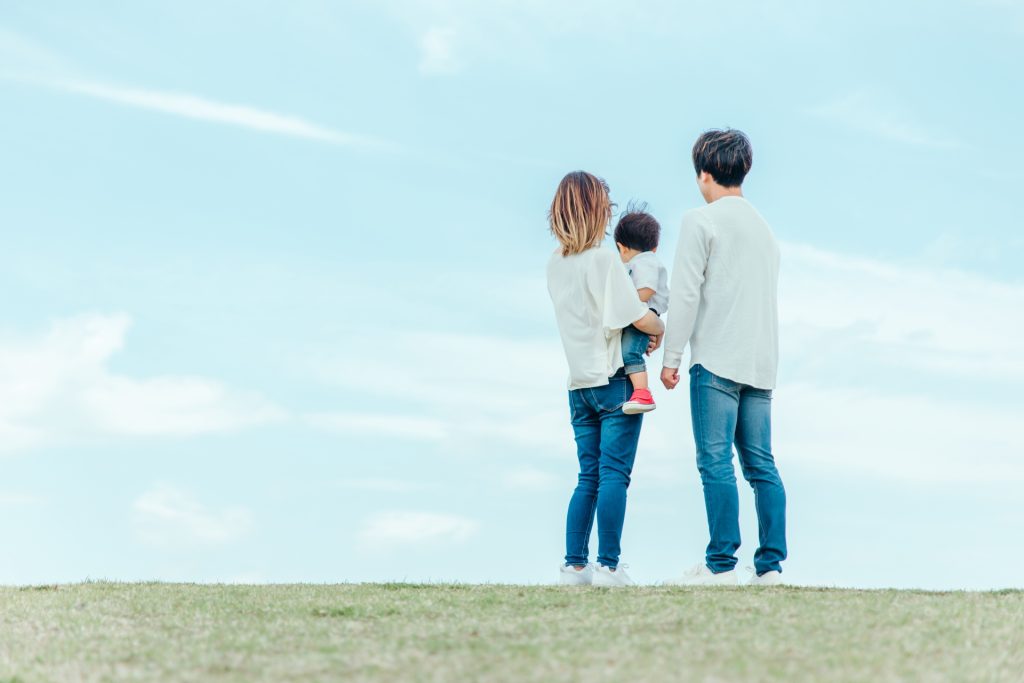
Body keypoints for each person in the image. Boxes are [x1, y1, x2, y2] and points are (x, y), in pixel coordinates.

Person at [660, 129, 788, 587]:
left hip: (715, 358)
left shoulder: (701, 220)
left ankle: (721, 566)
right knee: (761, 465)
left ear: (704, 174)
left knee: (715, 462)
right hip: (761, 362)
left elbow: (687, 293)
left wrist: (671, 356)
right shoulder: (765, 230)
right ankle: (770, 566)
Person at [546, 171, 664, 588]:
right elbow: (633, 314)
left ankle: (574, 566)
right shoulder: (602, 260)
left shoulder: (555, 265)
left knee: (587, 476)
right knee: (615, 475)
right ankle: (610, 567)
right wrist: (660, 330)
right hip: (614, 382)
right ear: (597, 211)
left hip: (578, 387)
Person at [613, 204, 669, 415]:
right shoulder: (647, 259)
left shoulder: (643, 262)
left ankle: (642, 392)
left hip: (645, 314)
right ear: (654, 246)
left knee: (630, 353)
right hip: (643, 314)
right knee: (631, 351)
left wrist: (623, 308)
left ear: (622, 247)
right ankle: (640, 391)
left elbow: (645, 290)